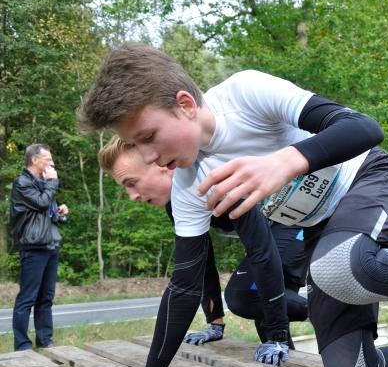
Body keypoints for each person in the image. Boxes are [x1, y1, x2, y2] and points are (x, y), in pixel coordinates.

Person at [72, 43, 388, 367]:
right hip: (322, 231)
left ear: (186, 104)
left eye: (149, 136)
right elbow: (184, 287)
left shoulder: (246, 93)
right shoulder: (190, 185)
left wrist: (285, 161)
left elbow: (364, 128)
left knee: (341, 264)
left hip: (370, 179)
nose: (149, 156)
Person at [96, 136, 309, 345]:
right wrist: (215, 323)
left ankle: (334, 311)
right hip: (272, 232)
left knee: (244, 296)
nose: (132, 196)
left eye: (132, 183)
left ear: (161, 164)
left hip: (294, 222)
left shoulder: (208, 177)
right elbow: (202, 263)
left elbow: (260, 251)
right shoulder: (177, 204)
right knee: (265, 320)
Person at [9, 144, 69, 351]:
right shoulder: (22, 183)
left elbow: (47, 211)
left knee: (46, 298)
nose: (52, 164)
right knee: (27, 297)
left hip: (51, 244)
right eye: (48, 159)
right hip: (33, 246)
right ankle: (22, 345)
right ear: (34, 160)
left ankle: (45, 341)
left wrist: (60, 212)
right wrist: (52, 183)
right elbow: (41, 203)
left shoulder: (44, 183)